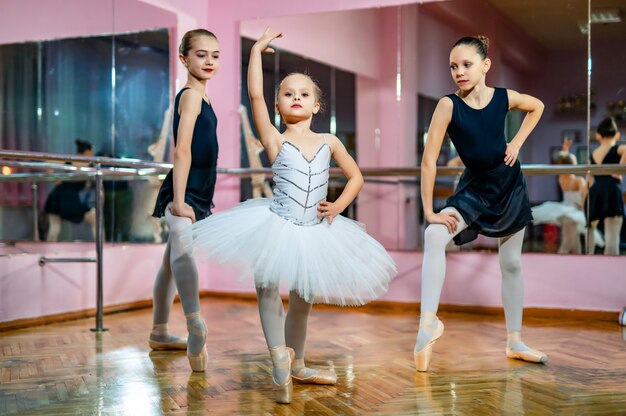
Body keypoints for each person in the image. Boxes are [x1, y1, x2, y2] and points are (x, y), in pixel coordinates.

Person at [191, 28, 396, 403]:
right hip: (277, 223)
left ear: (317, 106)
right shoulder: (275, 139)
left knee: (303, 299)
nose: (296, 98)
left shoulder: (329, 142)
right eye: (288, 93)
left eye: (304, 94)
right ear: (278, 106)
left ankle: (297, 361)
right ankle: (278, 359)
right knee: (267, 287)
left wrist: (338, 206)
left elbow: (356, 177)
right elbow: (254, 94)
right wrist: (255, 53)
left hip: (315, 230)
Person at [414, 35, 548, 372]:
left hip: (509, 184)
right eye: (453, 67)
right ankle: (427, 323)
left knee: (512, 263)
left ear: (485, 66)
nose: (459, 72)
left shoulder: (503, 98)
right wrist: (429, 210)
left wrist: (516, 142)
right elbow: (429, 160)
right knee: (433, 236)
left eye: (466, 64)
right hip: (474, 188)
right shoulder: (448, 105)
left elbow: (537, 107)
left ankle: (514, 340)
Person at [149, 29, 220, 372]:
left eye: (215, 55)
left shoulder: (204, 97)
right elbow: (182, 149)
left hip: (199, 189)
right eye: (201, 54)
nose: (209, 61)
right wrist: (178, 200)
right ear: (184, 59)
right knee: (181, 242)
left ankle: (159, 331)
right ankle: (194, 322)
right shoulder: (190, 95)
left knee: (170, 262)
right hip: (183, 187)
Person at [531, 138, 589, 254]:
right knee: (567, 243)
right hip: (573, 212)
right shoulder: (578, 180)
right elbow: (584, 197)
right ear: (572, 164)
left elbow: (563, 160)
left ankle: (578, 263)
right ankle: (561, 262)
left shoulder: (562, 178)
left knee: (575, 241)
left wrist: (565, 149)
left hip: (564, 210)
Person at [44, 138, 96, 241]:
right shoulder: (89, 165)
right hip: (68, 199)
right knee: (95, 220)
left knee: (54, 228)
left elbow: (48, 162)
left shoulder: (70, 160)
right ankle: (101, 247)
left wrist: (55, 178)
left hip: (58, 196)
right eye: (91, 152)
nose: (92, 154)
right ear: (87, 152)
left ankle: (48, 252)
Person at [587, 117, 626, 255]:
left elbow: (589, 179)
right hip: (612, 190)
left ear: (598, 135)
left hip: (595, 191)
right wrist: (619, 169)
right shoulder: (618, 148)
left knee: (590, 233)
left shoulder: (594, 153)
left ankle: (589, 264)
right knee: (612, 238)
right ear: (617, 134)